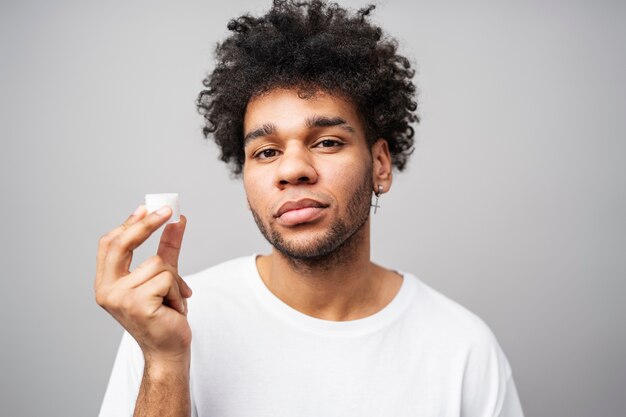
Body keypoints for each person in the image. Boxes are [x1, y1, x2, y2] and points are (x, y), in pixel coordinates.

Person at [95, 1, 525, 416]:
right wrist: (165, 362)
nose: (293, 169)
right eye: (266, 152)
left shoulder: (462, 349)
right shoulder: (172, 324)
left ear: (380, 164)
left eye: (326, 142)